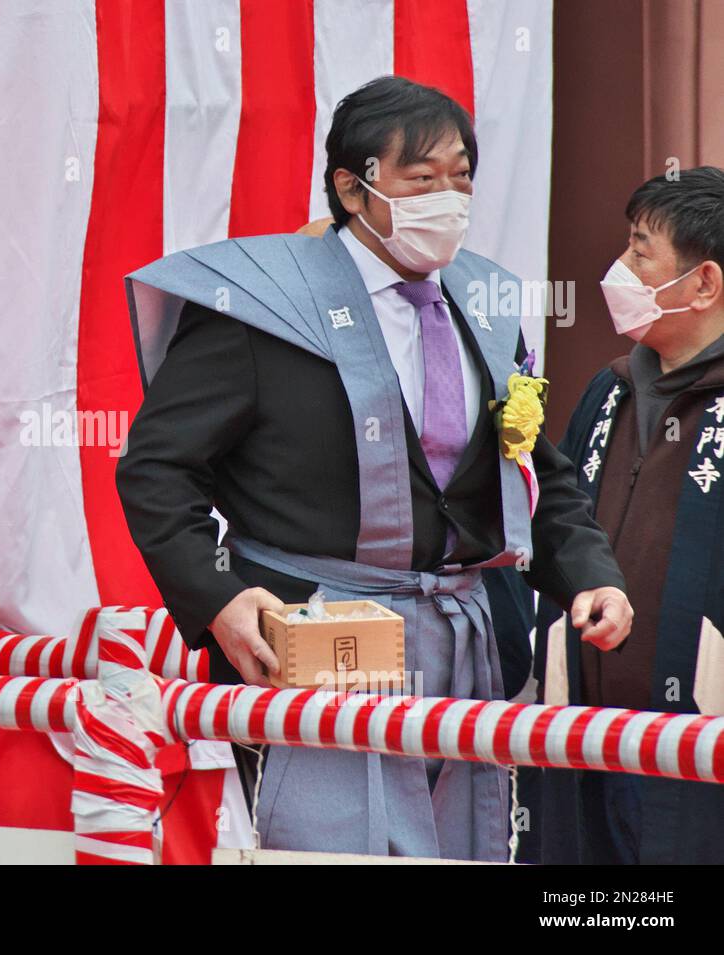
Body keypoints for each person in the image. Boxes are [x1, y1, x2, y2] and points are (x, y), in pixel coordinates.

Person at [116, 76, 632, 861]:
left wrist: (589, 574)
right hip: (315, 633)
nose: (449, 199)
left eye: (461, 176)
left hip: (463, 639)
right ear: (351, 188)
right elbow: (157, 469)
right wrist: (216, 599)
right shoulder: (261, 307)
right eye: (422, 179)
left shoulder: (484, 301)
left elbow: (533, 469)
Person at [534, 166, 724, 864]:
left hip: (702, 745)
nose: (619, 269)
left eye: (641, 253)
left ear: (704, 283)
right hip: (587, 734)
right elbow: (557, 524)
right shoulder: (609, 389)